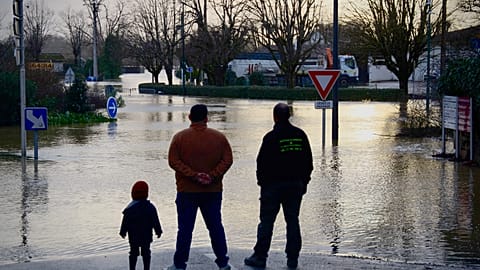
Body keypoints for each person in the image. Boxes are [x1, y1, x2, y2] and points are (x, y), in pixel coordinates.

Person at [244, 102, 313, 269]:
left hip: (272, 187)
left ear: (274, 117)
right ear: (289, 116)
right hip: (295, 186)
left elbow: (261, 163)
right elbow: (308, 162)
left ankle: (260, 256)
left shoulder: (270, 137)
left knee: (266, 222)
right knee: (293, 221)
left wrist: (262, 183)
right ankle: (292, 259)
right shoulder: (300, 135)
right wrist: (304, 182)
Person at [167, 104, 233, 270]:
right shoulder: (219, 138)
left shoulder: (179, 138)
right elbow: (228, 160)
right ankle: (223, 262)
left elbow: (173, 161)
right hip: (212, 190)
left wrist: (193, 175)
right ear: (207, 118)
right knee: (216, 227)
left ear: (189, 117)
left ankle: (180, 264)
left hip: (187, 191)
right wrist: (213, 175)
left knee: (185, 230)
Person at [120, 180, 163, 270]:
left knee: (133, 252)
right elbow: (155, 220)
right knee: (146, 252)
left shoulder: (130, 208)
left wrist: (123, 231)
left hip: (133, 235)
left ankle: (132, 268)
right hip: (146, 235)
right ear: (146, 193)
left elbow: (125, 221)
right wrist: (158, 231)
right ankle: (146, 268)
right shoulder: (150, 207)